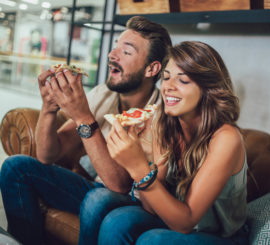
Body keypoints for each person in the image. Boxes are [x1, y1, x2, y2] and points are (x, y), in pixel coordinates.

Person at [0, 16, 171, 245]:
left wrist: (83, 117)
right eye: (115, 46)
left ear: (152, 68)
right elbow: (47, 155)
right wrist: (49, 109)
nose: (112, 55)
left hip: (135, 202)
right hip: (96, 188)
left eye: (126, 52)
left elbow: (119, 186)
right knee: (16, 167)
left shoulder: (161, 116)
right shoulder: (104, 94)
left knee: (98, 197)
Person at [80, 41, 249, 245]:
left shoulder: (226, 138)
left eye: (183, 80)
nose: (168, 87)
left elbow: (185, 222)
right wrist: (136, 159)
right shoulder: (163, 123)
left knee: (152, 240)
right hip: (174, 217)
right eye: (166, 78)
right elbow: (152, 207)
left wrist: (137, 167)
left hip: (222, 236)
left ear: (209, 89)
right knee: (115, 221)